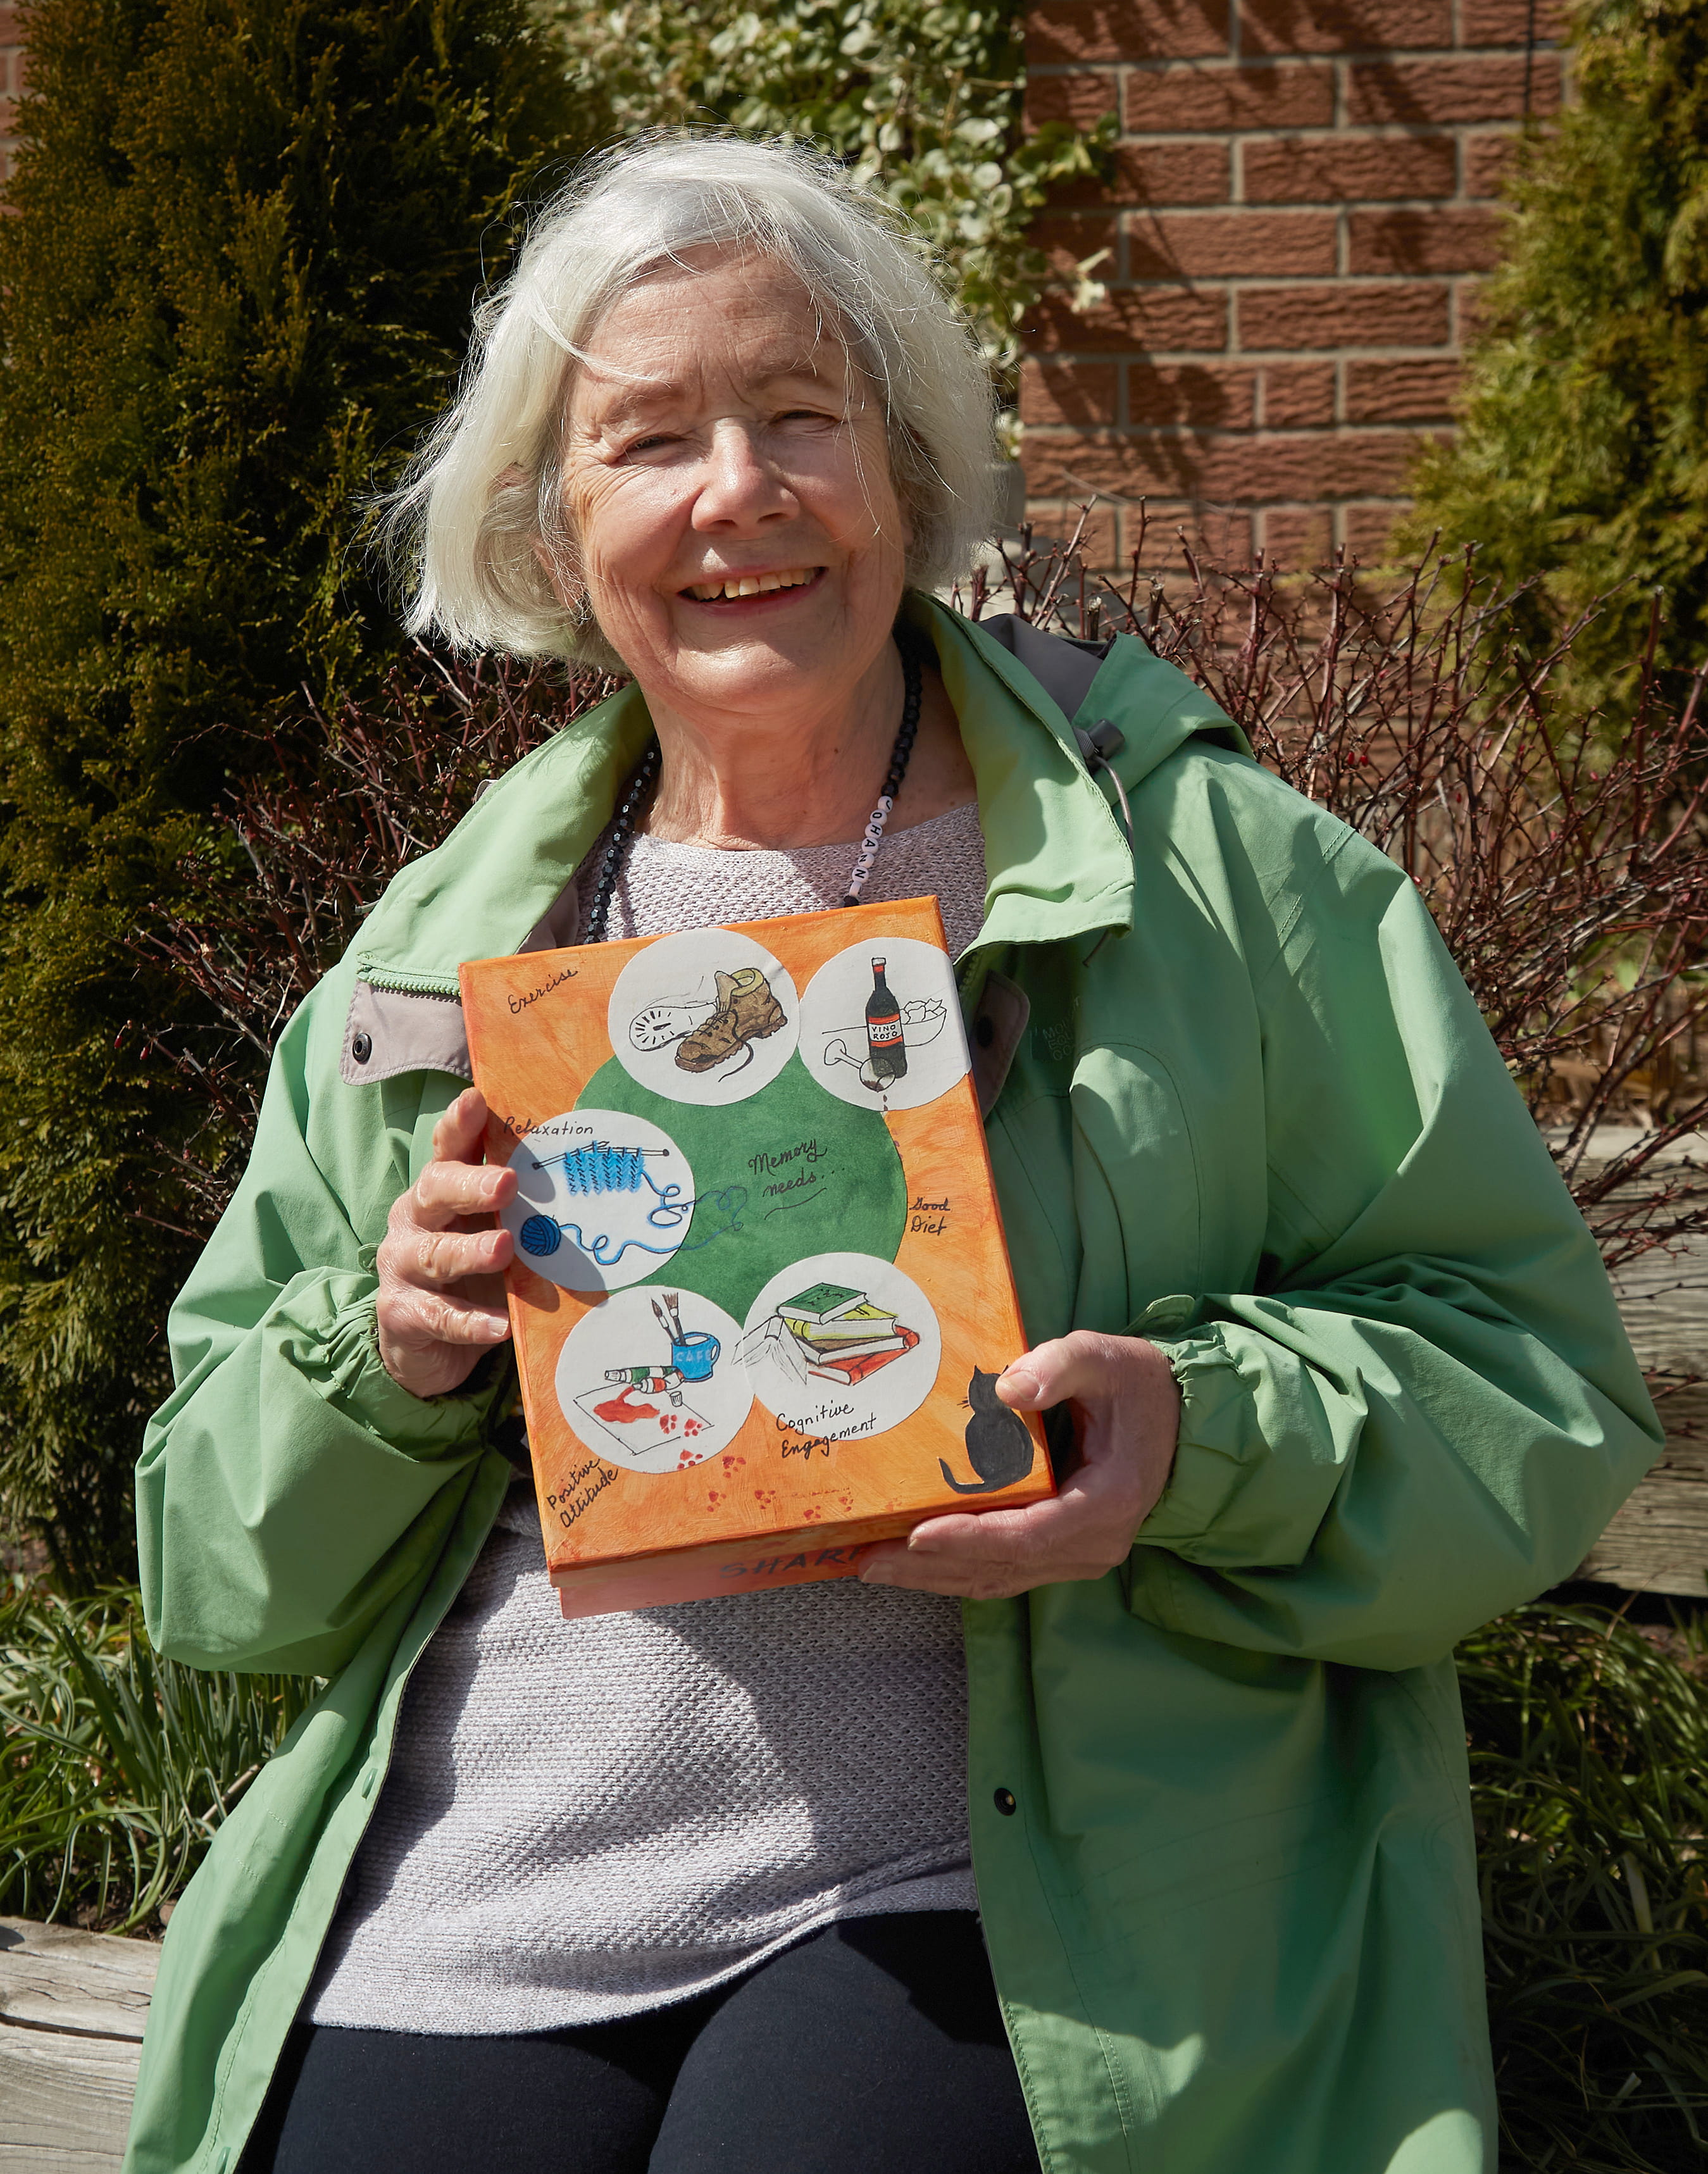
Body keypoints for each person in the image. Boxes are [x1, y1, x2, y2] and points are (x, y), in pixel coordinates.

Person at [125, 135, 1659, 2174]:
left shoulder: (1218, 884)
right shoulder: (442, 955)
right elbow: (210, 1571)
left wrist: (1192, 1436)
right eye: (648, 438)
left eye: (796, 417)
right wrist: (384, 1356)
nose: (733, 490)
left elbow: (1537, 1392)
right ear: (554, 519)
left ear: (906, 468)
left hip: (1000, 1885)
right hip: (490, 1869)